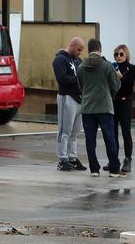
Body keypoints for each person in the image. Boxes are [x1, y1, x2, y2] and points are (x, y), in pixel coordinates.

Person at [77, 38, 121, 177]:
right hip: (104, 107)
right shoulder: (107, 65)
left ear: (88, 50)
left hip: (87, 108)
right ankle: (114, 169)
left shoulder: (81, 67)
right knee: (109, 138)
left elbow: (81, 86)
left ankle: (94, 169)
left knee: (90, 139)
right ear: (100, 49)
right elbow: (115, 85)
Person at [51, 37, 85, 171]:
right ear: (71, 45)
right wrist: (78, 79)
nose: (80, 53)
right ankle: (62, 159)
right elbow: (62, 79)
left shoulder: (78, 60)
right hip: (67, 97)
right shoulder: (59, 60)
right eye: (78, 50)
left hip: (78, 98)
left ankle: (73, 157)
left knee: (75, 131)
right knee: (65, 130)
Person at [111, 44, 135, 174]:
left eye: (121, 54)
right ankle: (113, 159)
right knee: (112, 131)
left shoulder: (130, 68)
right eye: (116, 54)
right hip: (114, 102)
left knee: (126, 131)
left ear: (126, 55)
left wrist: (120, 78)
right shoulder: (112, 67)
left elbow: (128, 86)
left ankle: (128, 159)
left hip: (125, 103)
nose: (118, 57)